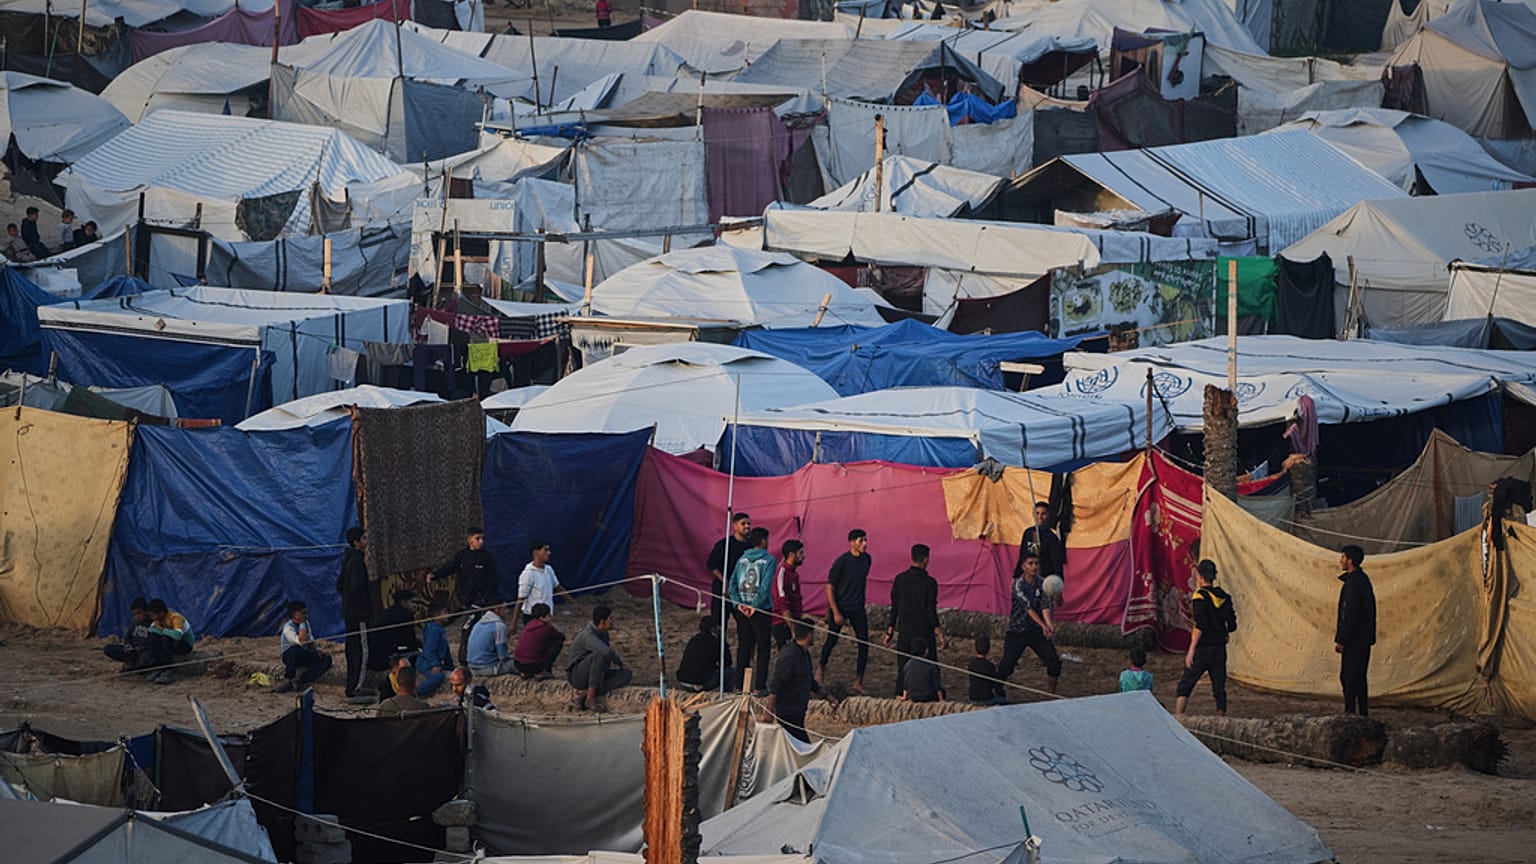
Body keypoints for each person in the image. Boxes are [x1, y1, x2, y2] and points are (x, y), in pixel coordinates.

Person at [1175, 560, 1236, 715]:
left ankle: (1177, 718)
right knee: (1219, 687)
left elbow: (1200, 625)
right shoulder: (1224, 597)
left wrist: (1191, 649)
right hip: (1219, 649)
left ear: (1200, 577)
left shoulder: (1200, 596)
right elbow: (1232, 624)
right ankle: (1221, 721)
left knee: (1185, 684)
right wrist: (1225, 632)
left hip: (1203, 648)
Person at [430, 527, 498, 666]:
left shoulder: (487, 557)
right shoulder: (462, 556)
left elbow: (493, 580)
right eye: (477, 539)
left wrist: (485, 599)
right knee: (467, 627)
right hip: (465, 599)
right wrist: (435, 575)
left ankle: (466, 659)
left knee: (470, 629)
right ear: (469, 540)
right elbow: (449, 567)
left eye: (482, 539)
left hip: (481, 601)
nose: (481, 542)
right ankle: (465, 659)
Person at [997, 552, 1061, 694]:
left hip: (1036, 632)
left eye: (1036, 563)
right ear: (1023, 567)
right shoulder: (1018, 585)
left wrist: (1049, 624)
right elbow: (1028, 608)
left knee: (1054, 662)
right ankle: (997, 688)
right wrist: (1043, 625)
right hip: (1017, 631)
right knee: (1007, 665)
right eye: (1030, 564)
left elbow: (1045, 605)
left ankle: (1051, 693)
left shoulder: (1043, 583)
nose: (1034, 567)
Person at [886, 543, 945, 696]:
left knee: (903, 667)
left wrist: (890, 630)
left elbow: (895, 607)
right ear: (926, 559)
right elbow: (930, 611)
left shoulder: (900, 579)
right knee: (930, 665)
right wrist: (939, 634)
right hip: (923, 631)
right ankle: (931, 696)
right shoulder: (930, 583)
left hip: (905, 630)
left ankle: (900, 695)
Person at [766, 618, 838, 743]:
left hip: (798, 710)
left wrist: (827, 696)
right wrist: (769, 712)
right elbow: (776, 685)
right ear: (809, 635)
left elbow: (810, 682)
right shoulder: (789, 656)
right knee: (802, 746)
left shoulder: (804, 654)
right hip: (788, 712)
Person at [819, 528, 872, 694]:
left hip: (858, 607)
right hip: (841, 606)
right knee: (831, 641)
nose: (864, 544)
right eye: (861, 541)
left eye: (865, 540)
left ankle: (858, 681)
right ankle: (820, 670)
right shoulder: (842, 561)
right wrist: (834, 611)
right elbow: (830, 587)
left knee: (864, 644)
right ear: (852, 542)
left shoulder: (867, 559)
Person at [729, 527, 776, 695]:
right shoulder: (769, 560)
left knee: (744, 646)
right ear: (763, 541)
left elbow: (732, 584)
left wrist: (738, 604)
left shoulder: (742, 559)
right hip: (760, 609)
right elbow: (765, 586)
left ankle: (739, 685)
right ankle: (759, 686)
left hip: (743, 608)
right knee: (763, 648)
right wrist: (754, 606)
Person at [1335, 544, 1377, 717]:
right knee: (1359, 678)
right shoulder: (1362, 581)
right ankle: (1362, 714)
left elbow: (1349, 614)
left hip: (1354, 640)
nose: (1341, 560)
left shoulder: (1353, 585)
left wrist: (1342, 639)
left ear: (1350, 561)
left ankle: (1351, 713)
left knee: (1350, 677)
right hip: (1363, 639)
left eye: (1343, 557)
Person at [566, 604, 632, 712]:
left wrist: (621, 666)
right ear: (602, 622)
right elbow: (606, 652)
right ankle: (590, 699)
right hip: (577, 674)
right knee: (599, 655)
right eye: (610, 618)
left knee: (626, 675)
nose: (613, 621)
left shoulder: (604, 634)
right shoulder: (588, 635)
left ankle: (585, 694)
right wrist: (619, 662)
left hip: (596, 671)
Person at [336, 526, 375, 699]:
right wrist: (364, 609)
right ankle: (356, 688)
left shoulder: (347, 559)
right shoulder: (357, 561)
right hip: (359, 614)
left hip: (349, 613)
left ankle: (351, 685)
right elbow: (357, 587)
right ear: (356, 542)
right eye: (364, 538)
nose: (366, 542)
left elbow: (339, 585)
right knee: (361, 649)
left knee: (352, 648)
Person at [706, 512, 753, 630]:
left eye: (748, 523)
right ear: (735, 526)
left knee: (745, 628)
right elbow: (712, 565)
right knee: (719, 625)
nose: (747, 526)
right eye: (743, 524)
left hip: (742, 593)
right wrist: (725, 583)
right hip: (722, 592)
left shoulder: (751, 546)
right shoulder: (724, 545)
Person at [274, 600, 333, 693]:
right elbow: (302, 641)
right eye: (303, 613)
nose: (306, 615)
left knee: (326, 659)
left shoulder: (306, 623)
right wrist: (301, 623)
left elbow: (310, 640)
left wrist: (318, 650)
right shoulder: (288, 628)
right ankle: (289, 679)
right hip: (291, 655)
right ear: (295, 614)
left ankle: (302, 680)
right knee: (295, 651)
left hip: (303, 654)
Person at [516, 540, 573, 626]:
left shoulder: (549, 569)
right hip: (533, 617)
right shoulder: (528, 573)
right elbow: (520, 599)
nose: (549, 553)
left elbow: (558, 588)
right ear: (536, 552)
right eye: (545, 550)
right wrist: (514, 623)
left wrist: (575, 604)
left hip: (546, 616)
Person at [142, 599, 197, 684]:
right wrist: (162, 630)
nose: (152, 618)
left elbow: (177, 635)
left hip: (185, 645)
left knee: (166, 638)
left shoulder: (176, 618)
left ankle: (168, 671)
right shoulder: (158, 620)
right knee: (154, 638)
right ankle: (158, 668)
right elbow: (151, 630)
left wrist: (161, 629)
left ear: (161, 613)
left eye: (153, 615)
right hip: (172, 643)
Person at [675, 615, 732, 691]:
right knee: (732, 672)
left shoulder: (693, 639)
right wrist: (724, 643)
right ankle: (726, 693)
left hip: (683, 680)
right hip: (700, 681)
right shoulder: (716, 642)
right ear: (713, 628)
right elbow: (726, 663)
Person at [1017, 501, 1066, 585]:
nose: (1040, 517)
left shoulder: (1052, 537)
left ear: (1048, 515)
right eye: (1037, 513)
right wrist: (1015, 576)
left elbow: (1057, 564)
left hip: (1046, 580)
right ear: (1033, 514)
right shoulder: (1028, 533)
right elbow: (1022, 556)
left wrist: (1058, 584)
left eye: (1043, 514)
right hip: (1029, 580)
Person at [513, 603, 566, 678]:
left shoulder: (529, 624)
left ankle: (525, 673)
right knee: (558, 641)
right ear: (542, 618)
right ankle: (542, 672)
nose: (550, 617)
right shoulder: (547, 628)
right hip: (533, 665)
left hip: (518, 664)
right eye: (549, 616)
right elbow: (561, 637)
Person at [466, 600, 516, 677]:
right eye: (504, 609)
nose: (507, 611)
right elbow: (502, 656)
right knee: (518, 663)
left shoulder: (478, 624)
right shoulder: (499, 626)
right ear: (497, 610)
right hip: (488, 667)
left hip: (472, 667)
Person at [415, 600, 455, 697]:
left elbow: (445, 650)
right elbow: (429, 651)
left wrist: (451, 666)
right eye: (444, 612)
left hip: (438, 661)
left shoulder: (440, 629)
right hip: (427, 663)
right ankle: (417, 691)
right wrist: (435, 665)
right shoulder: (434, 630)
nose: (448, 615)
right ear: (437, 615)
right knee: (439, 677)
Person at [771, 540, 806, 649]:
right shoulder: (782, 573)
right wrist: (792, 628)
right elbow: (782, 603)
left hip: (794, 620)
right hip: (783, 623)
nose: (803, 556)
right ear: (791, 555)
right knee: (787, 654)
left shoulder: (793, 573)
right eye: (800, 553)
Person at [372, 588, 420, 664]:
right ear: (404, 602)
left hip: (376, 654)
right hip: (390, 654)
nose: (415, 605)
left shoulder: (386, 612)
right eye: (412, 602)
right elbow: (409, 641)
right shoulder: (406, 616)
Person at [104, 597, 153, 669]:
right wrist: (128, 645)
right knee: (108, 649)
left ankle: (137, 666)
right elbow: (128, 637)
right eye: (134, 614)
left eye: (139, 613)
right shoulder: (134, 623)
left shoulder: (153, 623)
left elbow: (153, 642)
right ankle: (132, 663)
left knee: (147, 657)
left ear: (146, 611)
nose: (137, 616)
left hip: (144, 651)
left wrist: (141, 648)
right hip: (132, 650)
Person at [898, 636, 946, 703]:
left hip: (913, 696)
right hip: (928, 696)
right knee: (943, 690)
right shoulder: (931, 665)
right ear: (926, 651)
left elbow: (906, 683)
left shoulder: (907, 665)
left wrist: (904, 696)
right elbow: (937, 684)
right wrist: (941, 700)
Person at [966, 635, 1006, 706]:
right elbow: (995, 684)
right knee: (1003, 700)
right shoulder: (990, 666)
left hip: (972, 698)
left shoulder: (971, 664)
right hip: (987, 699)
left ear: (975, 649)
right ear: (989, 650)